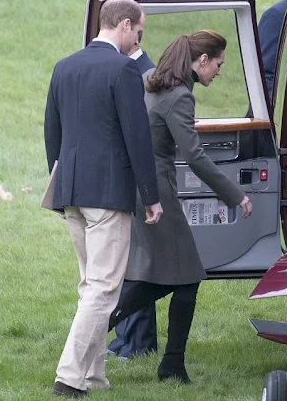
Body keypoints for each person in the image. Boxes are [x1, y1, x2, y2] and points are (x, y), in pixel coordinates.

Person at [107, 30, 253, 383]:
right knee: (185, 277)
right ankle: (165, 363)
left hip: (139, 188)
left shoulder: (151, 82)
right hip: (156, 193)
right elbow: (196, 157)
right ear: (202, 60)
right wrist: (235, 195)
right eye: (218, 64)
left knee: (168, 277)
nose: (219, 72)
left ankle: (164, 361)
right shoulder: (179, 97)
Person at [44, 0, 163, 398]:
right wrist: (152, 196)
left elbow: (52, 135)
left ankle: (93, 375)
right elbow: (137, 137)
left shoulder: (64, 66)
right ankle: (71, 377)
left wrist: (60, 186)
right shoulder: (125, 70)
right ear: (125, 25)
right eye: (139, 30)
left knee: (90, 285)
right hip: (108, 195)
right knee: (103, 289)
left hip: (71, 190)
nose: (139, 39)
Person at [106, 39, 159, 360]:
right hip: (128, 179)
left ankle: (137, 343)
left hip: (139, 181)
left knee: (136, 264)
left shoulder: (144, 73)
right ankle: (129, 340)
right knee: (126, 264)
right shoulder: (133, 71)